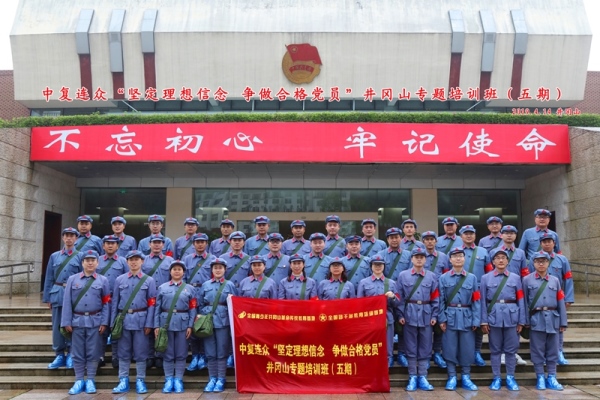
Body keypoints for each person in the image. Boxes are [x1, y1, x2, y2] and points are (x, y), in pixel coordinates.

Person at [61, 250, 110, 395]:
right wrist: (66, 321)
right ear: (82, 263)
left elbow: (106, 303)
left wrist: (104, 322)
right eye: (87, 260)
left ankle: (90, 380)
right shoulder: (73, 279)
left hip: (95, 321)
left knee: (93, 352)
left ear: (97, 263)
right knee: (77, 352)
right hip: (77, 321)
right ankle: (78, 380)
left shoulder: (103, 280)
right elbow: (67, 302)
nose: (90, 263)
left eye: (93, 260)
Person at [111, 250, 157, 395]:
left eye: (137, 259)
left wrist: (149, 323)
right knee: (123, 351)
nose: (134, 262)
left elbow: (152, 304)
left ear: (142, 261)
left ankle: (140, 380)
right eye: (131, 259)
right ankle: (123, 380)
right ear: (127, 262)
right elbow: (115, 302)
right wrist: (113, 322)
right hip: (123, 320)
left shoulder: (149, 280)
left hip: (141, 320)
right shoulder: (120, 280)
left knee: (141, 352)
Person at [480, 248, 526, 391]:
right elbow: (482, 301)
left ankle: (510, 377)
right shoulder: (485, 278)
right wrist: (484, 320)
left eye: (503, 258)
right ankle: (497, 377)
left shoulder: (515, 278)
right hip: (493, 318)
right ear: (493, 261)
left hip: (512, 317)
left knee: (511, 350)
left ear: (507, 261)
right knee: (495, 350)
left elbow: (521, 299)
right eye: (497, 258)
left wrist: (521, 320)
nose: (500, 260)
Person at [523, 251, 568, 391]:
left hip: (553, 319)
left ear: (548, 263)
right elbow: (524, 302)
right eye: (538, 261)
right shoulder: (526, 280)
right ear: (533, 263)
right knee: (537, 350)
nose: (541, 264)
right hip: (536, 319)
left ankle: (552, 377)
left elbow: (560, 301)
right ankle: (540, 376)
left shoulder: (555, 280)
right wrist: (525, 320)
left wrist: (563, 321)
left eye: (544, 261)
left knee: (553, 350)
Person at [438, 247, 481, 391]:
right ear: (450, 260)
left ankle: (466, 376)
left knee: (467, 347)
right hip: (450, 316)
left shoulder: (472, 278)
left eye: (460, 256)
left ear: (464, 258)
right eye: (455, 256)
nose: (458, 258)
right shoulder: (443, 278)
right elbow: (440, 300)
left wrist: (476, 319)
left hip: (467, 316)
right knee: (449, 347)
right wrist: (442, 319)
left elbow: (476, 300)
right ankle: (451, 376)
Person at [397, 247, 439, 391]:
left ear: (425, 260)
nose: (419, 259)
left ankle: (422, 376)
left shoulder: (431, 276)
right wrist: (400, 315)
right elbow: (400, 297)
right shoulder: (403, 275)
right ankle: (412, 376)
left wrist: (434, 315)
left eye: (422, 257)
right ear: (412, 259)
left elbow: (435, 297)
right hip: (409, 314)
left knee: (425, 347)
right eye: (416, 257)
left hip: (426, 315)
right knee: (410, 347)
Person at [43, 227, 83, 370]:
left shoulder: (81, 256)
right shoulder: (55, 256)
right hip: (58, 293)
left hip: (74, 294)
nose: (69, 238)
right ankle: (59, 354)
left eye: (72, 236)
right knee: (57, 325)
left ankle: (71, 352)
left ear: (76, 239)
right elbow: (49, 277)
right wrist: (47, 297)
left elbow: (83, 277)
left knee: (72, 324)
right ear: (63, 238)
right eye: (66, 235)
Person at [154, 260, 197, 394]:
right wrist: (156, 325)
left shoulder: (190, 289)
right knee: (167, 353)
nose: (177, 272)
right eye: (174, 269)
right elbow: (157, 308)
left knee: (181, 353)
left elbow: (193, 308)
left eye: (179, 269)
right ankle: (168, 379)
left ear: (183, 272)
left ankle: (178, 379)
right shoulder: (162, 288)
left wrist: (190, 325)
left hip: (183, 323)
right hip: (165, 323)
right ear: (170, 272)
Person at [197, 258, 237, 392]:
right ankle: (212, 378)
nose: (218, 270)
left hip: (223, 322)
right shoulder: (205, 285)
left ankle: (221, 378)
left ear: (225, 270)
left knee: (221, 352)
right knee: (210, 352)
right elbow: (200, 303)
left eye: (220, 268)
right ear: (212, 270)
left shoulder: (229, 285)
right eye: (215, 268)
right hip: (208, 322)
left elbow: (234, 303)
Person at [357, 255, 400, 368]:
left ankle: (387, 363)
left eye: (380, 265)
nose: (377, 267)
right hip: (370, 318)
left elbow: (397, 303)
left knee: (387, 343)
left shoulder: (391, 283)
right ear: (371, 266)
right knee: (370, 343)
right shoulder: (364, 283)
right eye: (375, 265)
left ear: (384, 266)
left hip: (386, 317)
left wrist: (393, 297)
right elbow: (359, 303)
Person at [538, 232, 574, 365]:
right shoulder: (535, 258)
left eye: (549, 241)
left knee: (559, 325)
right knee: (540, 326)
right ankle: (544, 354)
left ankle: (559, 351)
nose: (547, 244)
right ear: (541, 244)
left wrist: (568, 298)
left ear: (554, 243)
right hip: (540, 298)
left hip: (557, 298)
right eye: (544, 242)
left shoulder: (562, 259)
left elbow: (568, 279)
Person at [459, 224, 492, 366]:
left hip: (478, 291)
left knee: (478, 320)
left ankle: (477, 351)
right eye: (466, 233)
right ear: (461, 236)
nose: (468, 236)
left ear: (475, 235)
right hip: (460, 291)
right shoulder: (456, 252)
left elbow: (489, 272)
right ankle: (462, 351)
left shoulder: (483, 252)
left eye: (471, 233)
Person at [377, 227, 411, 366]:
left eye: (396, 237)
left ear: (401, 238)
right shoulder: (381, 255)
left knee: (403, 323)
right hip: (387, 293)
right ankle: (386, 355)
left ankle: (402, 353)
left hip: (404, 293)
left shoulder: (408, 255)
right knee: (387, 324)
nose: (394, 240)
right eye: (391, 237)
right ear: (387, 239)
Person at [182, 232, 216, 372]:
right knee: (192, 323)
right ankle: (195, 355)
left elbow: (215, 276)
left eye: (203, 242)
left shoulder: (212, 259)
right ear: (193, 244)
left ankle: (203, 355)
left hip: (206, 295)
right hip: (191, 294)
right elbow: (183, 277)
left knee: (204, 324)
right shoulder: (187, 259)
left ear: (207, 243)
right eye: (197, 242)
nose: (200, 244)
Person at [496, 225, 529, 366]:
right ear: (501, 235)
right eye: (506, 233)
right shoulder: (495, 252)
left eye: (512, 233)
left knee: (514, 322)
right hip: (499, 292)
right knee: (499, 324)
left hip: (515, 291)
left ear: (516, 236)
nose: (509, 235)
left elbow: (524, 273)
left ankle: (513, 352)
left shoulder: (520, 253)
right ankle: (502, 353)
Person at [141, 234, 174, 369]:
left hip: (164, 298)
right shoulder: (143, 260)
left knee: (162, 325)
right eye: (154, 242)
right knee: (148, 325)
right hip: (147, 297)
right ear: (149, 244)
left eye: (159, 242)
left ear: (163, 245)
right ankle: (149, 355)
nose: (156, 245)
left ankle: (160, 354)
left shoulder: (170, 261)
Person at [97, 235, 129, 368]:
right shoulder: (97, 260)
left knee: (116, 327)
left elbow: (128, 279)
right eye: (107, 243)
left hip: (117, 300)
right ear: (103, 246)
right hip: (101, 300)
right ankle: (100, 356)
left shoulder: (123, 261)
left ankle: (116, 356)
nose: (110, 245)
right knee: (101, 328)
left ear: (117, 246)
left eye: (113, 243)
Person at [420, 230, 449, 368]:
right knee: (424, 325)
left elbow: (447, 275)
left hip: (439, 293)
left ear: (436, 241)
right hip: (423, 294)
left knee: (439, 323)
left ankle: (437, 352)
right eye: (427, 239)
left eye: (432, 239)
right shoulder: (418, 256)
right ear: (423, 242)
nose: (430, 242)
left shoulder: (443, 257)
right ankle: (425, 355)